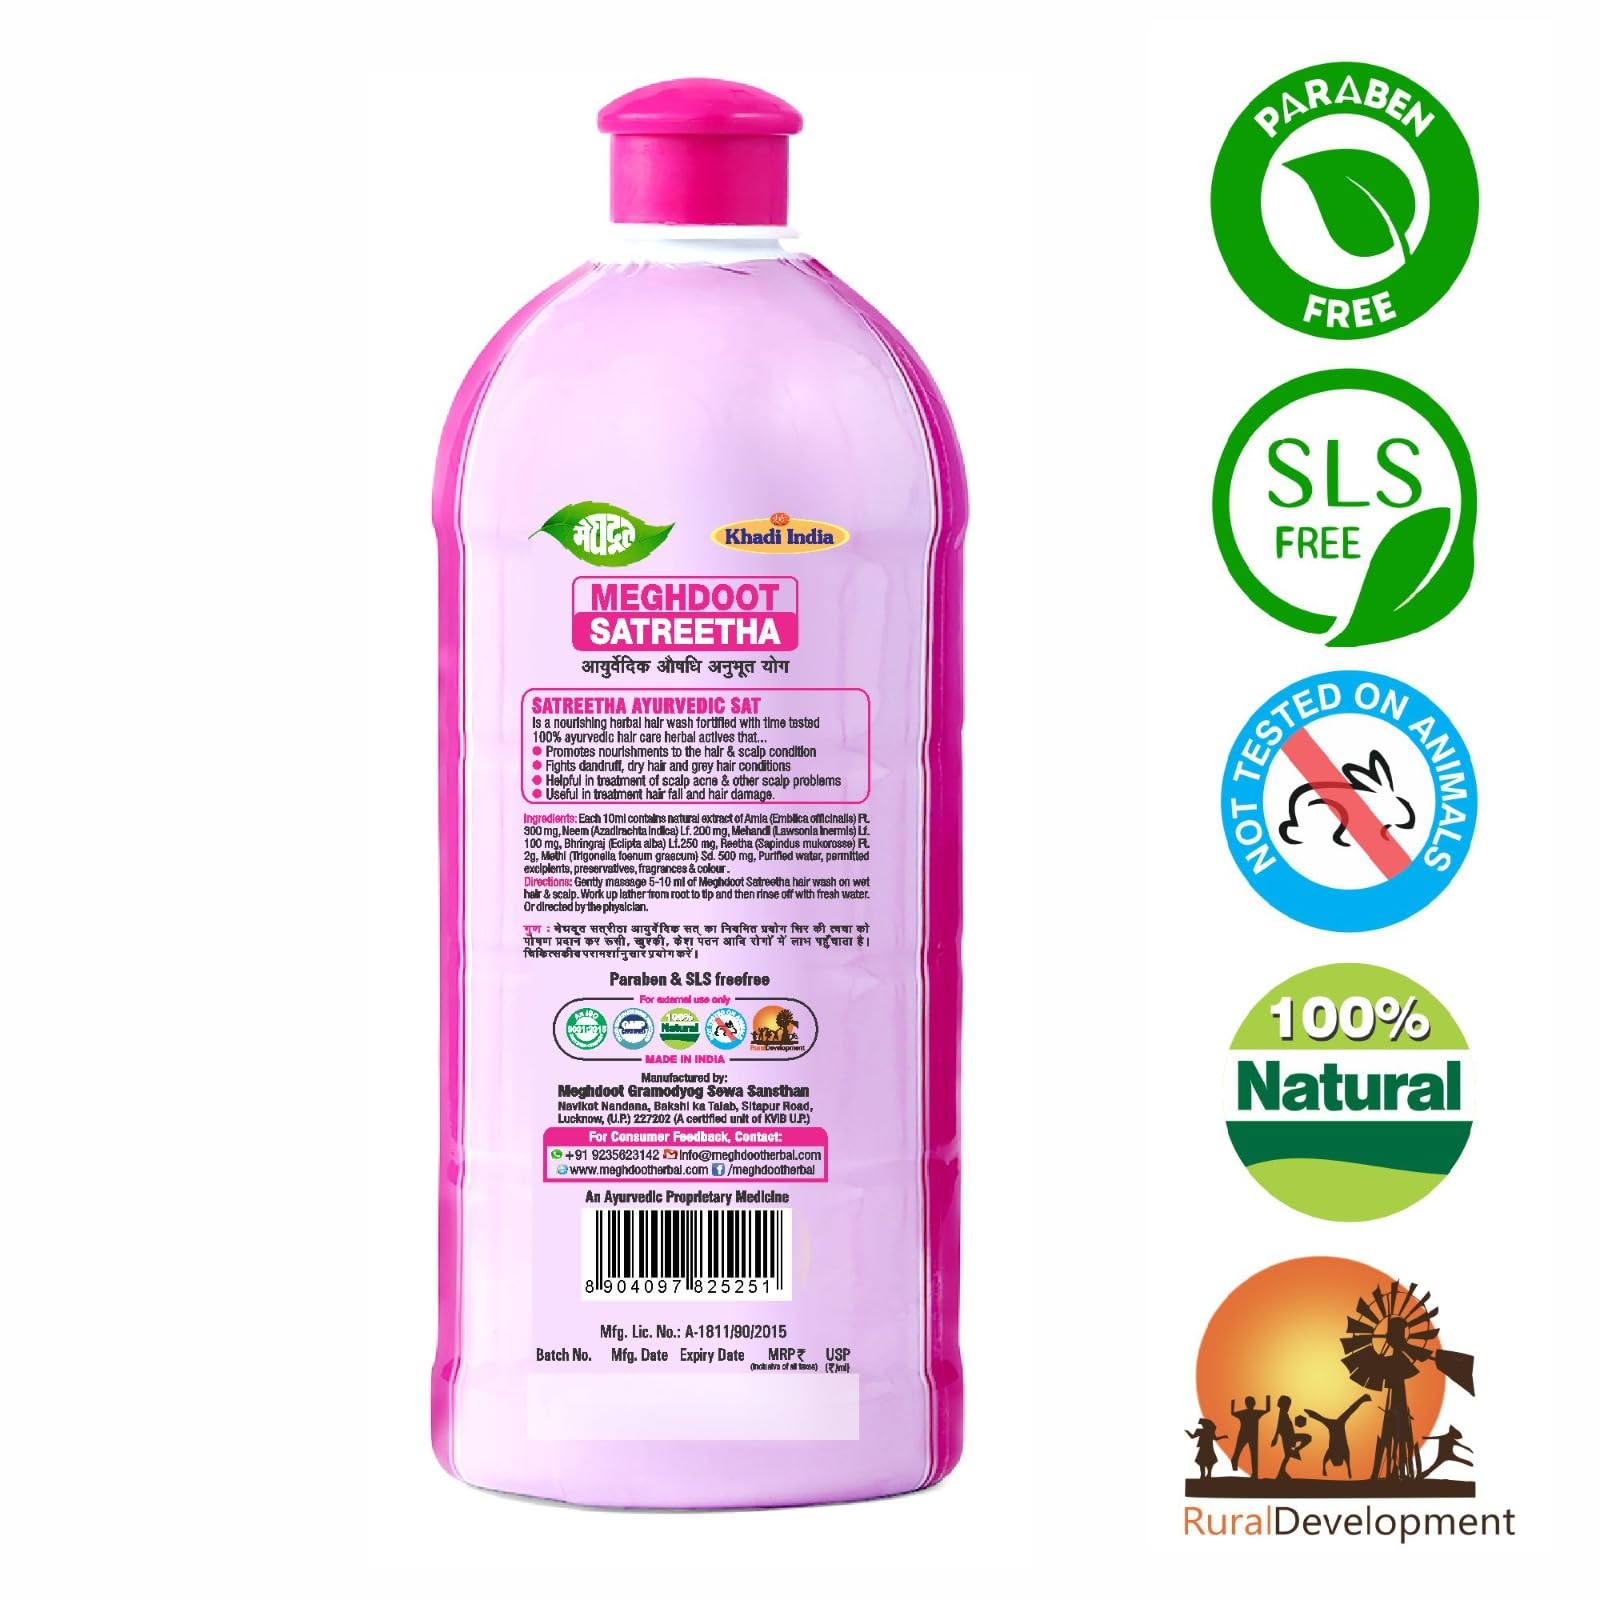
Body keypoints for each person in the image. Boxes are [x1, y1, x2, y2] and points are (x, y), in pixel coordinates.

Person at [1304, 1394, 1371, 1477]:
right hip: (1337, 1425)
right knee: (1322, 1418)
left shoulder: (1336, 1453)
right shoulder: (1338, 1453)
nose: (1332, 1459)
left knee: (1347, 1412)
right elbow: (1326, 1461)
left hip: (1336, 1425)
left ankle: (1363, 1399)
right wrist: (1324, 1469)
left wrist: (1324, 1470)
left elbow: (1326, 1460)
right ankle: (1363, 1399)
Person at [1270, 1395, 1310, 1479]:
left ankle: (1281, 1472)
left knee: (1287, 1456)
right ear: (1284, 1405)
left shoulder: (1283, 1413)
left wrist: (1276, 1437)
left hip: (1290, 1436)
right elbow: (1279, 1426)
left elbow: (1279, 1426)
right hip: (1289, 1437)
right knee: (1307, 1438)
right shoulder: (1283, 1414)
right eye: (1288, 1405)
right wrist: (1275, 1437)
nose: (1289, 1407)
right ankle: (1282, 1472)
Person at [1230, 1395, 1269, 1477]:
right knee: (1239, 1450)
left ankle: (1255, 1473)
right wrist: (1267, 1398)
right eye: (1251, 1402)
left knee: (1253, 1453)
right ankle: (1235, 1459)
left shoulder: (1251, 1413)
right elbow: (1267, 1410)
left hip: (1251, 1435)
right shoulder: (1252, 1413)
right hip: (1245, 1434)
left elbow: (1233, 1413)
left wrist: (1233, 1403)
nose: (1252, 1404)